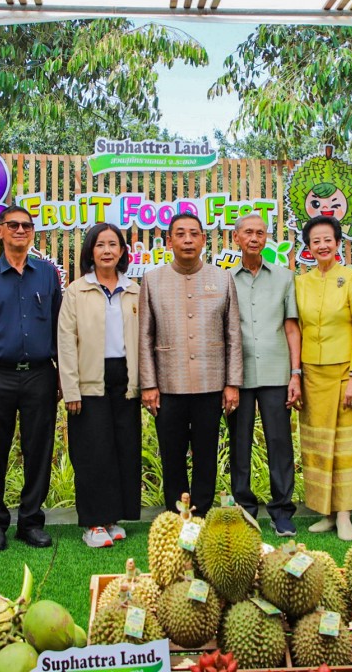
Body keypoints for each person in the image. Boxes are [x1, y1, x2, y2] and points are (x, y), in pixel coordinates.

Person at [0, 205, 63, 551]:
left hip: (40, 375)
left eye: (26, 226)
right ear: (0, 231)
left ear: (32, 232)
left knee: (39, 451)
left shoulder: (47, 274)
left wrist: (61, 374)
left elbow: (58, 324)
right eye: (13, 225)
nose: (20, 230)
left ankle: (31, 522)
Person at [139, 213, 242, 516]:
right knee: (171, 454)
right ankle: (176, 515)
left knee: (206, 453)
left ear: (203, 240)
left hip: (212, 383)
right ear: (169, 240)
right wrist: (148, 384)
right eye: (180, 234)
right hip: (167, 385)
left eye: (194, 234)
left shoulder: (222, 278)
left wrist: (232, 383)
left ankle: (201, 513)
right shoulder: (152, 280)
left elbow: (233, 334)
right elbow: (145, 336)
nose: (187, 240)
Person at [58, 223, 142, 548]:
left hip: (125, 378)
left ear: (122, 251)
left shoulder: (134, 290)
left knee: (123, 448)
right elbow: (66, 342)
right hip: (89, 378)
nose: (107, 250)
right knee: (93, 451)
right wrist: (71, 389)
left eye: (113, 244)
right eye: (100, 245)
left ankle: (112, 518)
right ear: (90, 251)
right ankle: (93, 523)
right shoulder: (77, 291)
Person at [294, 215, 352, 540]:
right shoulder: (301, 282)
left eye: (328, 239)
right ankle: (325, 513)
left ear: (338, 243)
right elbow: (297, 329)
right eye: (316, 241)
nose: (322, 246)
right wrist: (296, 375)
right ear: (308, 247)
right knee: (318, 445)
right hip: (312, 375)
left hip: (345, 372)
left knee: (345, 446)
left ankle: (344, 515)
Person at [228, 213, 301, 537]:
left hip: (276, 372)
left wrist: (295, 374)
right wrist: (226, 380)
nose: (254, 238)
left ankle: (282, 511)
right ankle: (244, 509)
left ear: (266, 237)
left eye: (260, 232)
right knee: (239, 444)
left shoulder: (284, 277)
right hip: (238, 375)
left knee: (280, 443)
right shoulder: (225, 280)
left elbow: (291, 327)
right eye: (248, 232)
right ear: (236, 238)